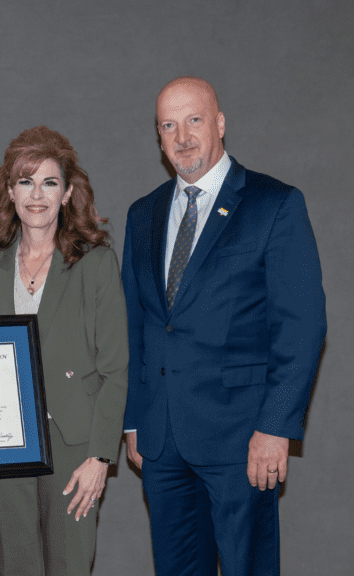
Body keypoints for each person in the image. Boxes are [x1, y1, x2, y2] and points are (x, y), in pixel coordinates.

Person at [121, 76, 326, 575]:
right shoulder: (143, 214)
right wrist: (133, 419)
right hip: (163, 440)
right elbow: (138, 325)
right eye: (168, 125)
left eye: (193, 120)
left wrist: (275, 427)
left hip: (243, 439)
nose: (182, 136)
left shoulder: (274, 204)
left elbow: (302, 326)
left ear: (220, 123)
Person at [0, 126, 129, 575]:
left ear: (68, 193)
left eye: (49, 182)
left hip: (75, 450)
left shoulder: (96, 263)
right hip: (5, 448)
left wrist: (100, 458)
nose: (37, 194)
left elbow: (117, 369)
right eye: (26, 182)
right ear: (9, 192)